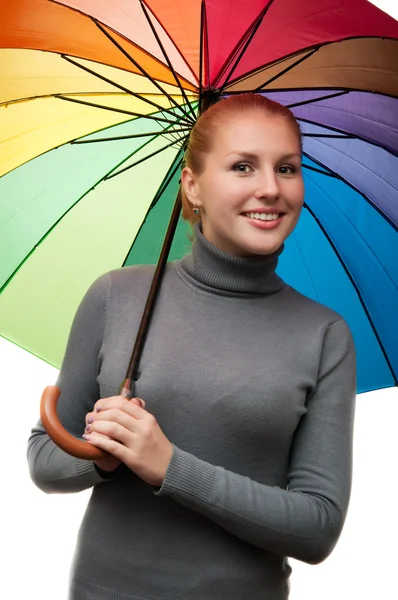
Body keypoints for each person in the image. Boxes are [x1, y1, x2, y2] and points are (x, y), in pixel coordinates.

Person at [27, 93, 356, 600]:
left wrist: (169, 465)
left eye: (287, 168)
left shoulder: (324, 334)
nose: (270, 188)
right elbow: (47, 456)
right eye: (243, 166)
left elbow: (317, 527)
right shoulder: (117, 296)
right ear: (192, 185)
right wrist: (102, 458)